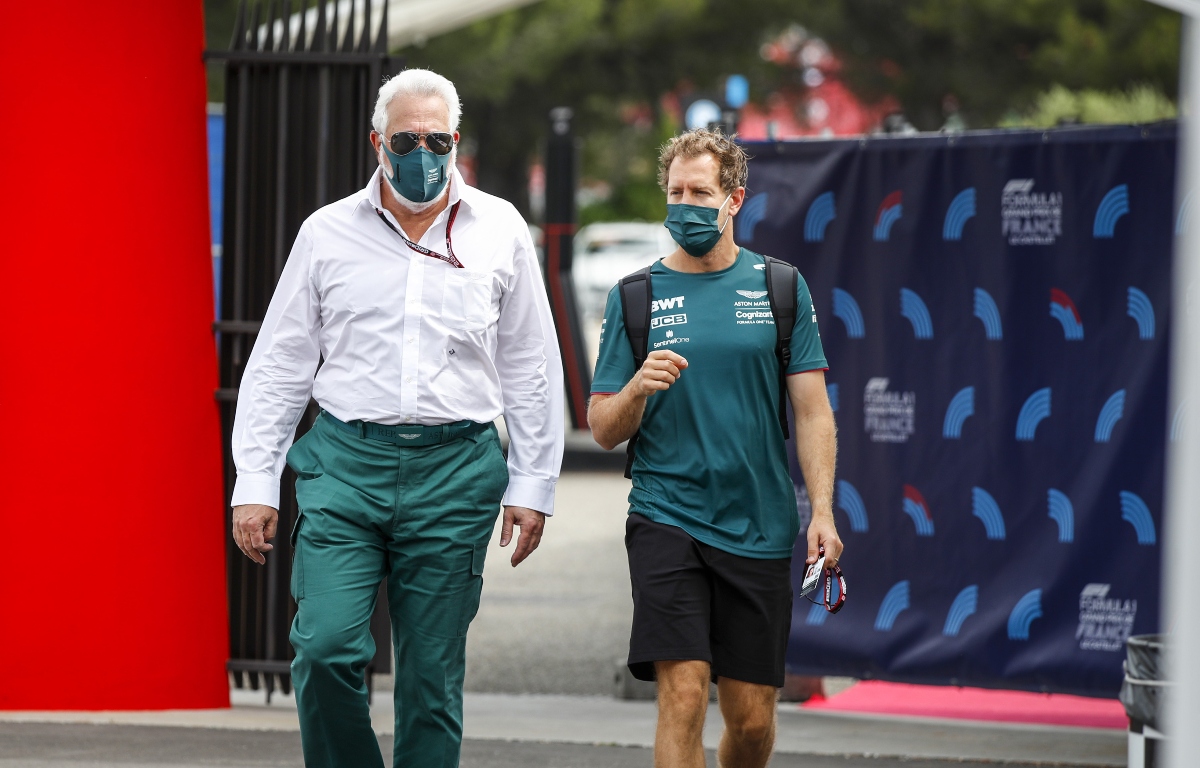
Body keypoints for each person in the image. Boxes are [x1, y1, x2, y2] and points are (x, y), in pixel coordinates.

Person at [228, 68, 563, 768]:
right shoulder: (327, 234)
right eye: (407, 139)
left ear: (456, 141)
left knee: (430, 679)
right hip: (346, 465)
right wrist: (255, 479)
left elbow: (530, 362)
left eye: (436, 139)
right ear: (376, 142)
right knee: (324, 649)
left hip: (456, 467)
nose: (423, 153)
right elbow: (281, 363)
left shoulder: (500, 229)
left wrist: (534, 484)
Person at [588, 128, 842, 768]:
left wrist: (822, 512)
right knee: (682, 690)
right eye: (675, 192)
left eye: (700, 192)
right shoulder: (635, 297)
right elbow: (602, 425)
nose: (685, 205)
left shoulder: (780, 287)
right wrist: (638, 389)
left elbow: (813, 413)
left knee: (752, 720)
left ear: (735, 199)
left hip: (757, 523)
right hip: (665, 514)